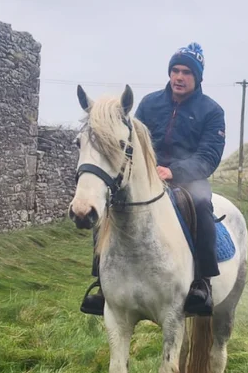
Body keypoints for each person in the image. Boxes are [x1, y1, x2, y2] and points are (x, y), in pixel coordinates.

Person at [80, 41, 226, 317]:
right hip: (146, 177)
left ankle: (202, 283)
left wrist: (175, 171)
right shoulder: (150, 104)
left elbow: (209, 155)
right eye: (175, 71)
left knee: (202, 204)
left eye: (186, 72)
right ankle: (102, 282)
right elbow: (133, 142)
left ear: (197, 77)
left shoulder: (212, 111)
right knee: (108, 207)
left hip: (187, 179)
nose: (179, 77)